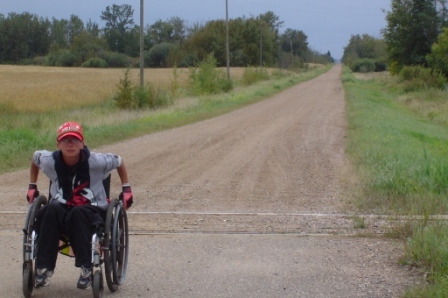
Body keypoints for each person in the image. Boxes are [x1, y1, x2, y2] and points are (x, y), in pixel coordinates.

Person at [26, 121, 133, 290]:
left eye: (74, 140)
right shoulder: (49, 160)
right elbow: (35, 158)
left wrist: (126, 189)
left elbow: (119, 161)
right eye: (65, 140)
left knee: (78, 213)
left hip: (91, 208)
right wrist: (32, 185)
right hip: (60, 207)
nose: (70, 144)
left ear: (82, 143)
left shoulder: (97, 161)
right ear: (58, 144)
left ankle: (86, 269)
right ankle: (43, 269)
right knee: (48, 210)